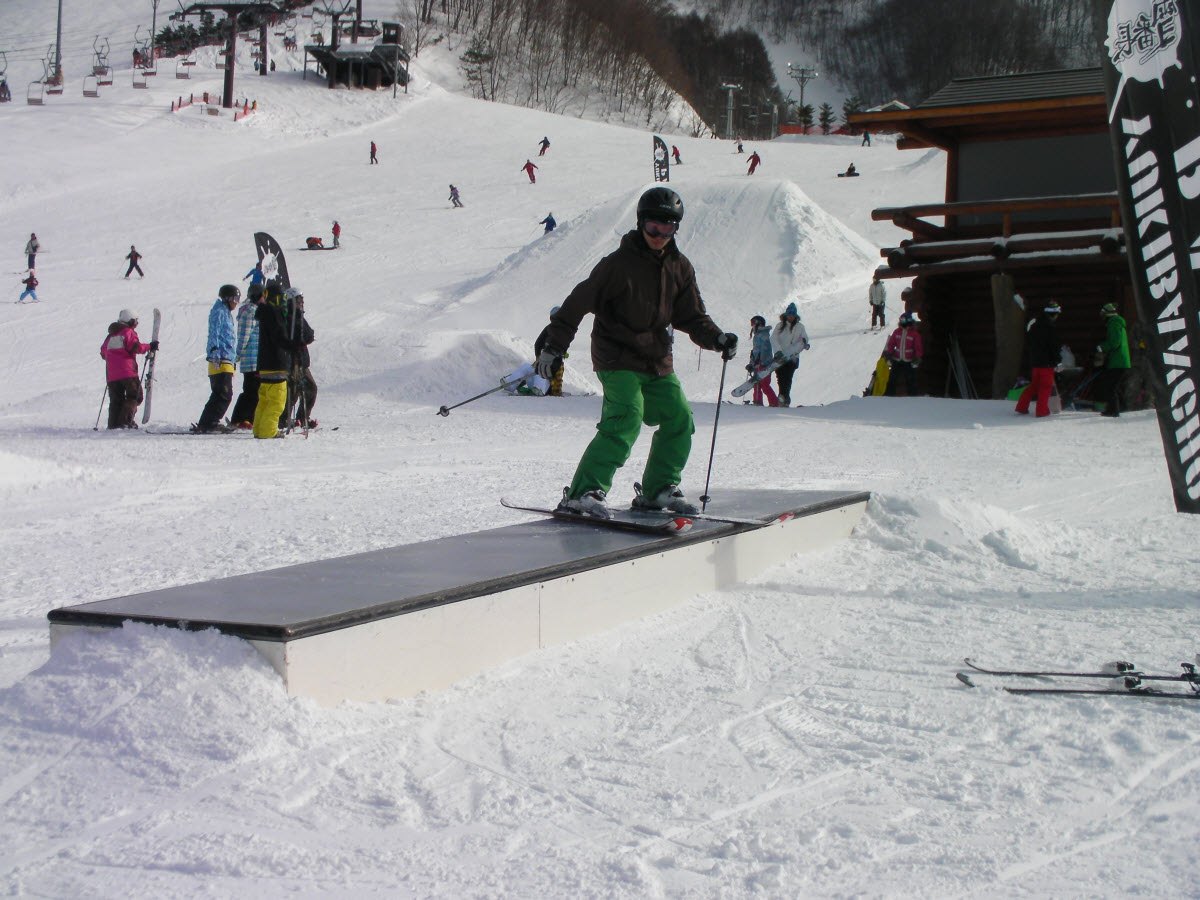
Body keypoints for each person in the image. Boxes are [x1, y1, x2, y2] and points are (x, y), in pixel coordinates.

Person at [535, 186, 738, 518]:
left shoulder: (680, 267)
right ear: (642, 223)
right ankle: (582, 492)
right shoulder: (616, 266)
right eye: (654, 226)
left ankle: (658, 489)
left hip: (656, 359)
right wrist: (553, 347)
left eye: (668, 227)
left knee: (679, 418)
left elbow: (692, 316)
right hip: (616, 357)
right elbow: (575, 304)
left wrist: (717, 339)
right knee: (627, 416)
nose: (660, 234)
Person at [252, 282, 298, 438]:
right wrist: (292, 346)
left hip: (265, 364)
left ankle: (259, 428)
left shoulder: (264, 313)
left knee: (264, 400)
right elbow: (279, 337)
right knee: (276, 402)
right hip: (276, 363)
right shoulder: (273, 313)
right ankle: (268, 431)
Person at [193, 284, 241, 433]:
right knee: (224, 394)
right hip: (220, 359)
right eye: (235, 299)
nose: (236, 302)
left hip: (226, 358)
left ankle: (207, 422)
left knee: (221, 394)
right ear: (227, 298)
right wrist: (215, 353)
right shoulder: (219, 312)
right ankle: (209, 422)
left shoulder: (225, 312)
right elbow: (214, 332)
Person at [100, 308, 156, 429]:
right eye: (135, 321)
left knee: (116, 399)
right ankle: (125, 421)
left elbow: (103, 353)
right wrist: (150, 346)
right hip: (127, 372)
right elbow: (135, 347)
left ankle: (113, 424)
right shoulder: (128, 332)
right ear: (130, 321)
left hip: (112, 375)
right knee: (135, 395)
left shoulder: (110, 336)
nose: (136, 324)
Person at [1015, 301, 1062, 417]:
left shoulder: (1035, 325)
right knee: (1045, 387)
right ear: (1054, 314)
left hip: (1035, 362)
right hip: (1047, 363)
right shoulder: (1050, 328)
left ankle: (1021, 407)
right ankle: (1042, 411)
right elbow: (1053, 347)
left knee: (1034, 386)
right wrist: (1058, 361)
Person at [282, 290, 318, 430]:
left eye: (301, 301)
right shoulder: (287, 317)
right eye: (298, 301)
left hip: (302, 361)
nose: (301, 304)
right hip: (292, 359)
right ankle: (284, 418)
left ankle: (302, 418)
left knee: (310, 388)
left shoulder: (300, 317)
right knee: (293, 390)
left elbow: (309, 335)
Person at [230, 282, 263, 429]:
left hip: (256, 358)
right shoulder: (251, 311)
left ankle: (242, 418)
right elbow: (244, 335)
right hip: (252, 358)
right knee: (252, 390)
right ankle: (243, 418)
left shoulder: (256, 310)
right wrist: (238, 354)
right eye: (264, 296)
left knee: (252, 389)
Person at [1093, 301, 1131, 417]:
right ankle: (1122, 407)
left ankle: (1113, 410)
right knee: (1114, 385)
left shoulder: (1113, 324)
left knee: (1110, 386)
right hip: (1121, 361)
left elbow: (1115, 343)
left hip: (1117, 361)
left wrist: (1102, 347)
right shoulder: (1117, 323)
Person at [770, 302, 809, 407]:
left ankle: (784, 397)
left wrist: (803, 344)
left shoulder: (800, 327)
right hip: (780, 356)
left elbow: (804, 339)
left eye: (793, 314)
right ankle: (783, 397)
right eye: (789, 314)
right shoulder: (780, 326)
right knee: (780, 377)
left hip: (792, 358)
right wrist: (778, 351)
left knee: (788, 377)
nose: (791, 316)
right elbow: (773, 338)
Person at [884, 312, 923, 396]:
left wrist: (917, 359)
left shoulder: (914, 334)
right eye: (901, 320)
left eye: (903, 320)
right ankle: (888, 396)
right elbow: (891, 344)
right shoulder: (897, 332)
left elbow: (918, 347)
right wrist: (889, 356)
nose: (902, 322)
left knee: (910, 379)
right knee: (892, 378)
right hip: (897, 359)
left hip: (908, 361)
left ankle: (912, 397)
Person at [747, 315, 779, 407]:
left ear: (758, 324)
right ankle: (757, 401)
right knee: (756, 384)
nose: (752, 327)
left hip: (765, 365)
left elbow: (765, 350)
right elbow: (755, 351)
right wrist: (751, 364)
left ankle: (774, 403)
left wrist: (761, 362)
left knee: (764, 385)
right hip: (758, 364)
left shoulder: (764, 335)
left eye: (753, 324)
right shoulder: (757, 336)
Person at [534, 308, 565, 396]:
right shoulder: (560, 329)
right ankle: (555, 392)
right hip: (553, 359)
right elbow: (539, 343)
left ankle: (551, 391)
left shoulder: (549, 328)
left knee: (548, 375)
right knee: (556, 373)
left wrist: (538, 357)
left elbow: (538, 344)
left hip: (547, 358)